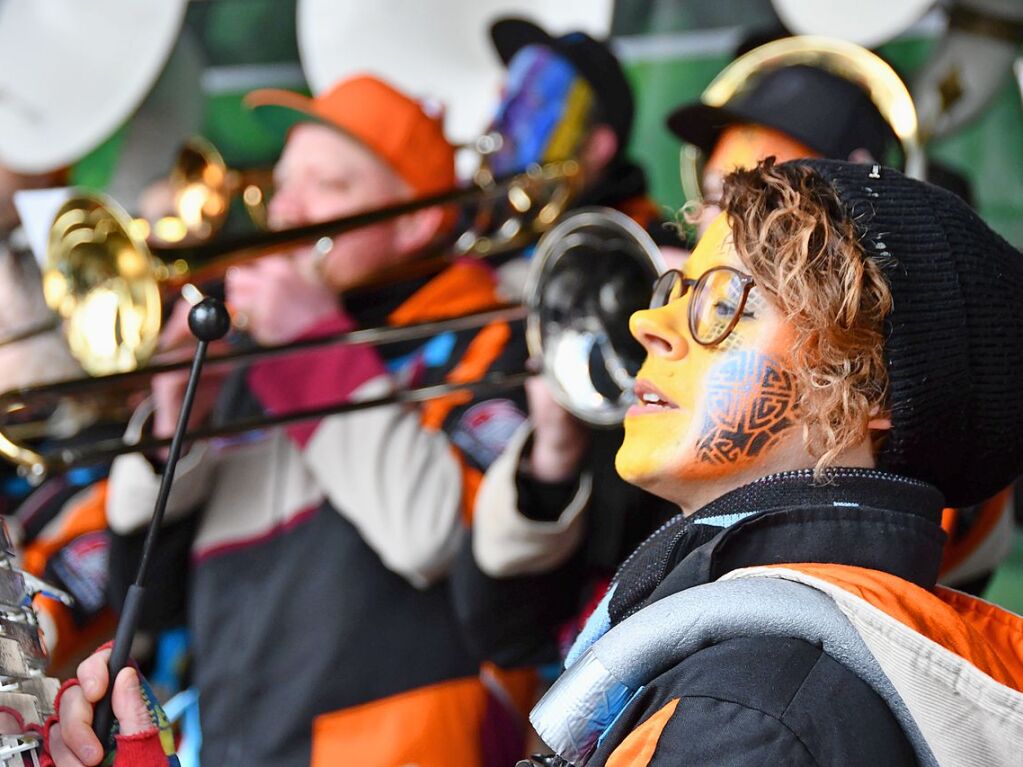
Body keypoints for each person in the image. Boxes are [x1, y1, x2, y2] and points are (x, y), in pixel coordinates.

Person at [521, 158, 1023, 765]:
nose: (645, 322)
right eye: (678, 294)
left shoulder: (746, 716)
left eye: (730, 303)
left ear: (866, 387)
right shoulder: (776, 680)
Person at [94, 74, 533, 767]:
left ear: (416, 219)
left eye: (327, 186)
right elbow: (143, 605)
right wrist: (172, 429)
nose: (288, 211)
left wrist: (312, 348)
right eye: (283, 184)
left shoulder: (488, 337)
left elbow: (430, 538)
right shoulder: (249, 352)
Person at [450, 18, 681, 670]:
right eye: (505, 99)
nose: (500, 124)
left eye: (532, 106)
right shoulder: (482, 250)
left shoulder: (649, 254)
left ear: (599, 144)